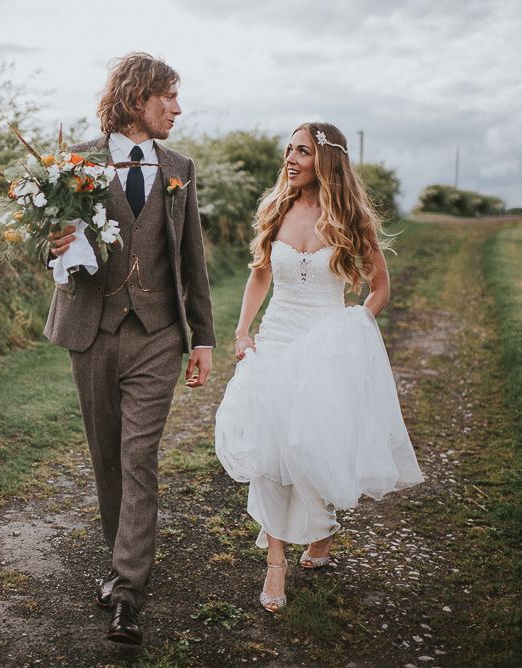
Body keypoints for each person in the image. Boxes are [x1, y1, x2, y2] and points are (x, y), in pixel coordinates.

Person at [214, 122, 423, 612]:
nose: (290, 159)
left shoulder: (350, 220)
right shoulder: (276, 210)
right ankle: (276, 563)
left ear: (324, 160)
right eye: (288, 150)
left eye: (302, 151)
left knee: (313, 444)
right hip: (280, 341)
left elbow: (379, 289)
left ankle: (322, 529)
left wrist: (352, 330)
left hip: (326, 344)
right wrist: (244, 332)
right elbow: (260, 277)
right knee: (271, 447)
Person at [45, 53, 215, 644]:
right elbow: (50, 246)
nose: (177, 107)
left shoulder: (180, 169)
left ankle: (127, 588)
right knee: (107, 456)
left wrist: (204, 339)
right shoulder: (76, 163)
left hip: (159, 335)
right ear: (137, 97)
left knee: (139, 457)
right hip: (91, 331)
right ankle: (124, 559)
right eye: (168, 95)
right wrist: (53, 243)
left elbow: (192, 259)